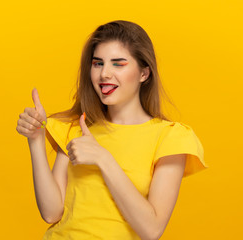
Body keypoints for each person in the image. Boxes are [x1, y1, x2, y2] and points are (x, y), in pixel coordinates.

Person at [16, 20, 208, 240]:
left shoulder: (171, 137)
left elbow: (152, 230)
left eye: (118, 64)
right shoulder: (76, 127)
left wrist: (102, 158)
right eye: (98, 63)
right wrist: (36, 140)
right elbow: (51, 213)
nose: (104, 73)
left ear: (144, 74)